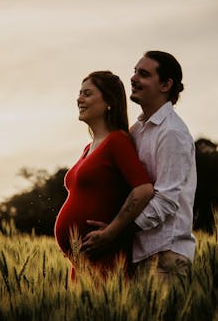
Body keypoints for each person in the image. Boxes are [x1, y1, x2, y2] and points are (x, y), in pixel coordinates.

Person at [82, 51, 197, 282]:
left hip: (166, 257)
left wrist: (114, 232)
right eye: (134, 72)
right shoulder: (138, 130)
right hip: (140, 255)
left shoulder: (172, 133)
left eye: (143, 74)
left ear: (165, 84)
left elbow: (165, 202)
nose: (133, 78)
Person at [54, 71, 154, 279]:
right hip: (82, 264)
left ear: (109, 101)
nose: (79, 99)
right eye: (79, 94)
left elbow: (143, 189)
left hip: (106, 261)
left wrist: (112, 232)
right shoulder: (88, 148)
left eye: (87, 94)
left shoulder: (117, 141)